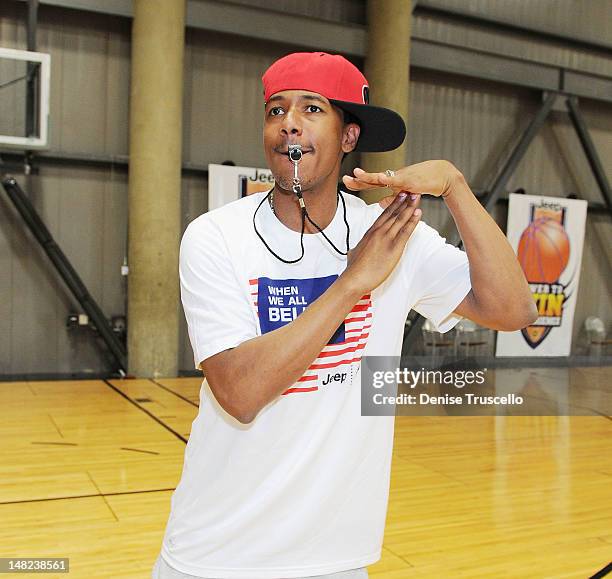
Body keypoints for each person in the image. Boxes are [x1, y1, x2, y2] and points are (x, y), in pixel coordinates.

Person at [152, 51, 537, 579]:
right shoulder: (216, 236)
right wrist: (353, 281)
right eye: (275, 110)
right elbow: (240, 394)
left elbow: (514, 310)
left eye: (311, 109)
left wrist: (455, 186)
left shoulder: (394, 234)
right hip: (218, 554)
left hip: (338, 558)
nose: (288, 122)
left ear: (349, 137)